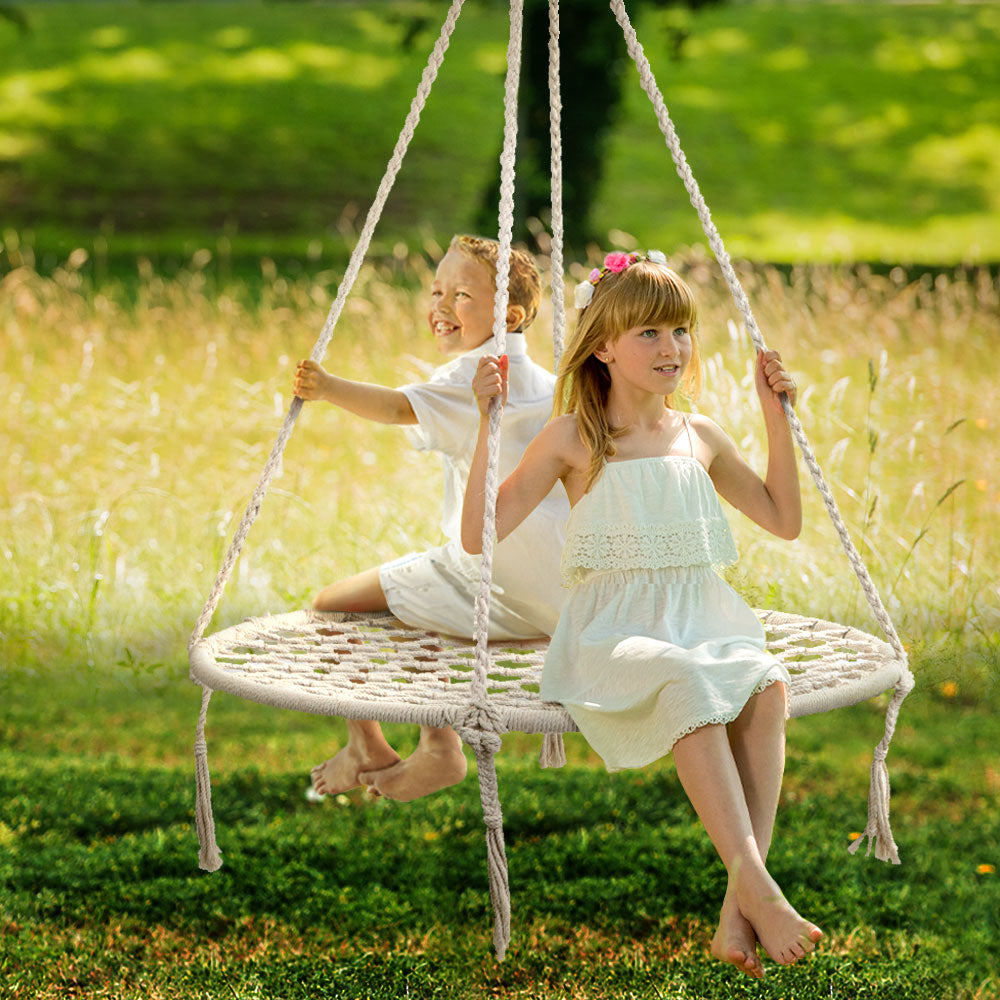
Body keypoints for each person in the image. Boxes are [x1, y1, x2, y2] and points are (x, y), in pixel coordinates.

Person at [461, 250, 822, 975]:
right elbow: (478, 535)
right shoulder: (574, 438)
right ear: (604, 347)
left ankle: (736, 910)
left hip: (704, 620)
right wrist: (485, 422)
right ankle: (757, 888)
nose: (672, 349)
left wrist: (775, 415)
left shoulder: (701, 436)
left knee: (765, 683)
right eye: (650, 334)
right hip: (611, 634)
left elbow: (784, 519)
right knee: (688, 683)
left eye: (680, 331)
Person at [293, 235, 569, 802]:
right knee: (415, 611)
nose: (440, 306)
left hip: (488, 582)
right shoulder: (549, 384)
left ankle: (394, 745)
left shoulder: (475, 379)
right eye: (437, 290)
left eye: (461, 295)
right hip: (559, 597)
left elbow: (397, 407)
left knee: (329, 606)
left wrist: (327, 387)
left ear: (508, 316)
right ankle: (429, 741)